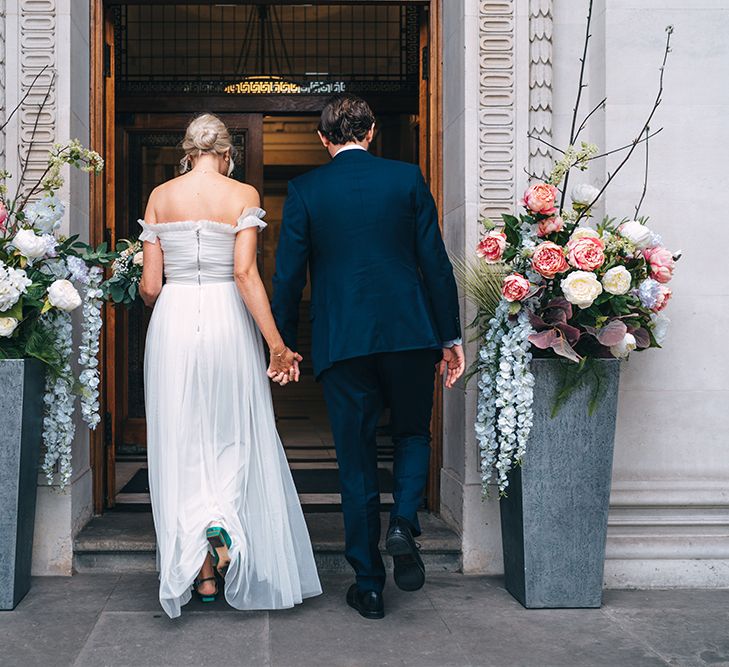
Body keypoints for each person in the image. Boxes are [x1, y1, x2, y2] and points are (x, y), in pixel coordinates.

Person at [272, 94, 464, 620]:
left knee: (354, 458)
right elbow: (436, 263)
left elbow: (287, 276)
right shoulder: (406, 179)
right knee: (411, 433)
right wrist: (449, 336)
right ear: (373, 131)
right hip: (409, 333)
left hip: (343, 340)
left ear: (322, 138)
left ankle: (370, 584)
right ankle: (403, 521)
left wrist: (282, 344)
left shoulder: (306, 190)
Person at [138, 113, 321, 619]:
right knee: (230, 431)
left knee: (179, 436)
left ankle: (199, 571)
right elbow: (244, 274)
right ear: (225, 153)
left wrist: (143, 281)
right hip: (225, 319)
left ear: (188, 151)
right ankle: (223, 526)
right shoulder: (243, 195)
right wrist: (277, 345)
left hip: (174, 319)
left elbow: (151, 288)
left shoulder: (160, 196)